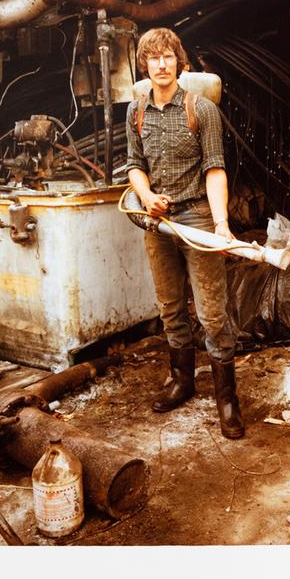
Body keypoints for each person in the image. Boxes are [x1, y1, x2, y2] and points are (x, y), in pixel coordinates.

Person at [124, 27, 244, 439]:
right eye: (153, 57)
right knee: (170, 306)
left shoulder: (201, 109)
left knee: (212, 312)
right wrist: (146, 196)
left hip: (196, 218)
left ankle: (227, 398)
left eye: (168, 57)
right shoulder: (136, 110)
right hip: (157, 221)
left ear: (180, 63)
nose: (160, 64)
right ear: (145, 65)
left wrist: (222, 224)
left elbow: (215, 169)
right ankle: (182, 380)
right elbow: (133, 164)